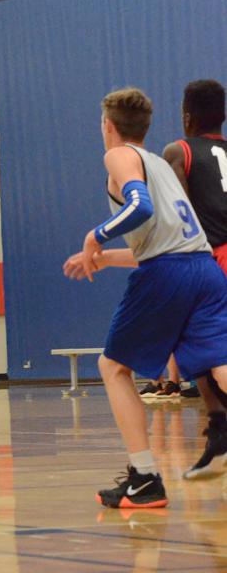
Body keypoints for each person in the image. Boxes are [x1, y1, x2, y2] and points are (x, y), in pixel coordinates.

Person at [63, 87, 227, 508]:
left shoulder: (118, 156)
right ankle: (144, 478)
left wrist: (96, 236)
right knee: (220, 366)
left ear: (107, 125)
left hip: (171, 273)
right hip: (205, 269)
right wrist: (104, 259)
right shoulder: (160, 164)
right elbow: (163, 243)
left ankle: (146, 478)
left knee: (113, 367)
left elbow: (141, 208)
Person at [162, 78, 227, 478]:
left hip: (214, 259)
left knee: (194, 345)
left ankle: (219, 427)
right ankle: (219, 435)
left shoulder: (179, 151)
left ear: (187, 116)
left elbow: (179, 216)